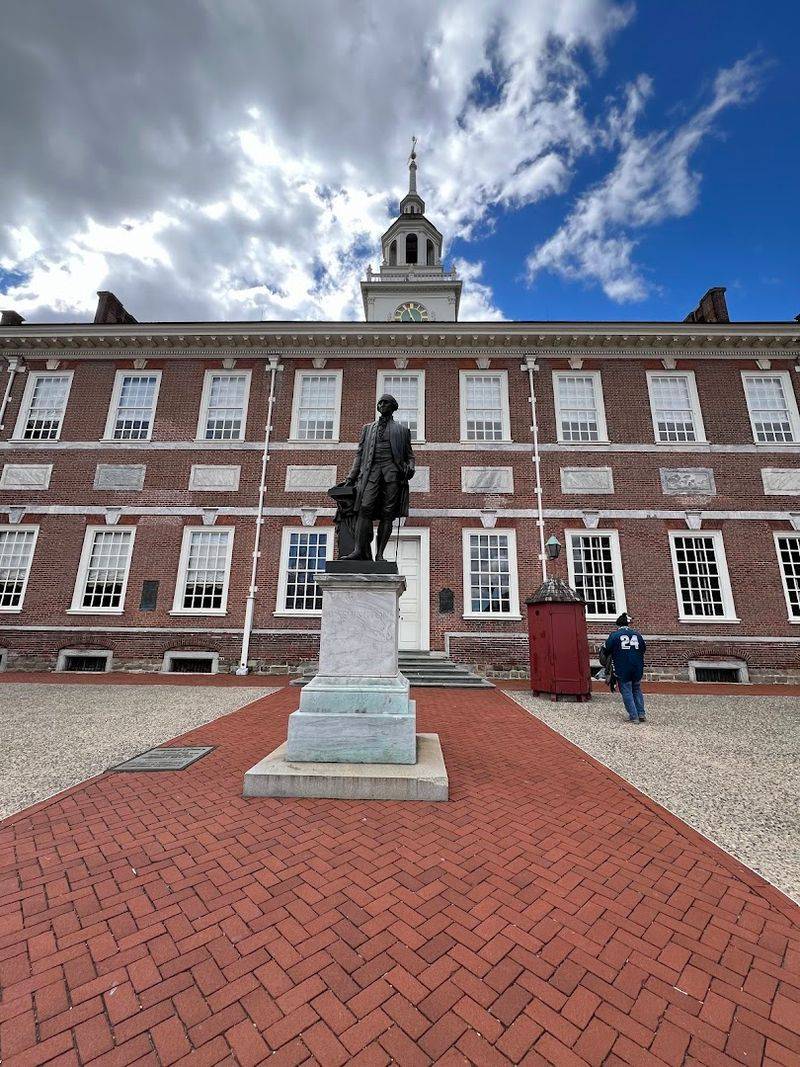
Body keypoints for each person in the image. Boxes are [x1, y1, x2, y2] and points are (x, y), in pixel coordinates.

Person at [340, 394, 415, 561]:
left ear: (393, 406)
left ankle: (380, 554)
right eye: (380, 402)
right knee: (364, 508)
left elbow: (410, 456)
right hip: (371, 474)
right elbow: (359, 455)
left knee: (388, 514)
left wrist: (411, 467)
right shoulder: (367, 429)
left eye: (385, 402)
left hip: (392, 475)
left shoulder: (402, 431)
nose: (381, 405)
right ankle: (359, 550)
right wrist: (351, 478)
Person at [603, 611, 647, 723]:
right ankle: (641, 713)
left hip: (623, 667)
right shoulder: (637, 635)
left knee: (626, 690)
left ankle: (633, 716)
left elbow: (606, 649)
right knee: (637, 689)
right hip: (637, 666)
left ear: (618, 625)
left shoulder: (615, 635)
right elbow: (643, 649)